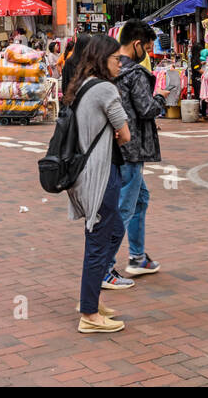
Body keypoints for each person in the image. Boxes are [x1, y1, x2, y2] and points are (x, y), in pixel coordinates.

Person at [62, 34, 133, 334]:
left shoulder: (82, 84)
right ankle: (89, 315)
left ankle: (90, 300)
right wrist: (118, 132)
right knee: (98, 240)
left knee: (112, 229)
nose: (121, 63)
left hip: (89, 173)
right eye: (117, 59)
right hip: (100, 174)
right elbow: (125, 133)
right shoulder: (104, 88)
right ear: (103, 59)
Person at [104, 21, 162, 290]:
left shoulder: (109, 68)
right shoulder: (136, 73)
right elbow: (146, 108)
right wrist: (161, 97)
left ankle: (138, 257)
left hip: (115, 146)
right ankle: (105, 268)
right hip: (133, 147)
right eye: (147, 48)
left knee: (140, 199)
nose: (148, 54)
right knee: (124, 207)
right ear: (137, 44)